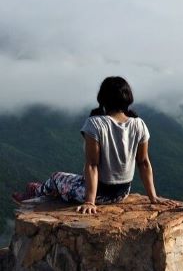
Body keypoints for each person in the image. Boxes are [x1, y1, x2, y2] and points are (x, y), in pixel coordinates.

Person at [12, 76, 172, 214]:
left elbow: (93, 165)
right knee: (70, 179)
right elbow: (144, 163)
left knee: (56, 177)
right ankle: (43, 190)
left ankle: (36, 192)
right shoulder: (139, 124)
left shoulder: (95, 124)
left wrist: (89, 201)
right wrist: (153, 197)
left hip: (100, 194)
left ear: (103, 98)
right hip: (122, 193)